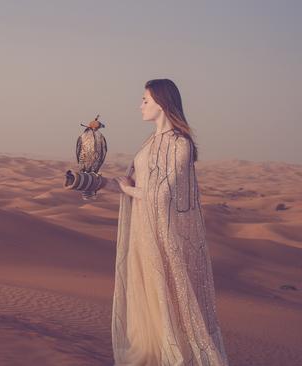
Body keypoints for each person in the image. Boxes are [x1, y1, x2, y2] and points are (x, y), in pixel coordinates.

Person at [97, 79, 228, 365]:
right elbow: (134, 185)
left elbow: (162, 194)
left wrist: (128, 189)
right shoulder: (148, 143)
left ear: (161, 102)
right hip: (142, 232)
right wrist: (100, 184)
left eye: (145, 100)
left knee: (167, 297)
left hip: (162, 235)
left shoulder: (180, 145)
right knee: (145, 299)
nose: (140, 105)